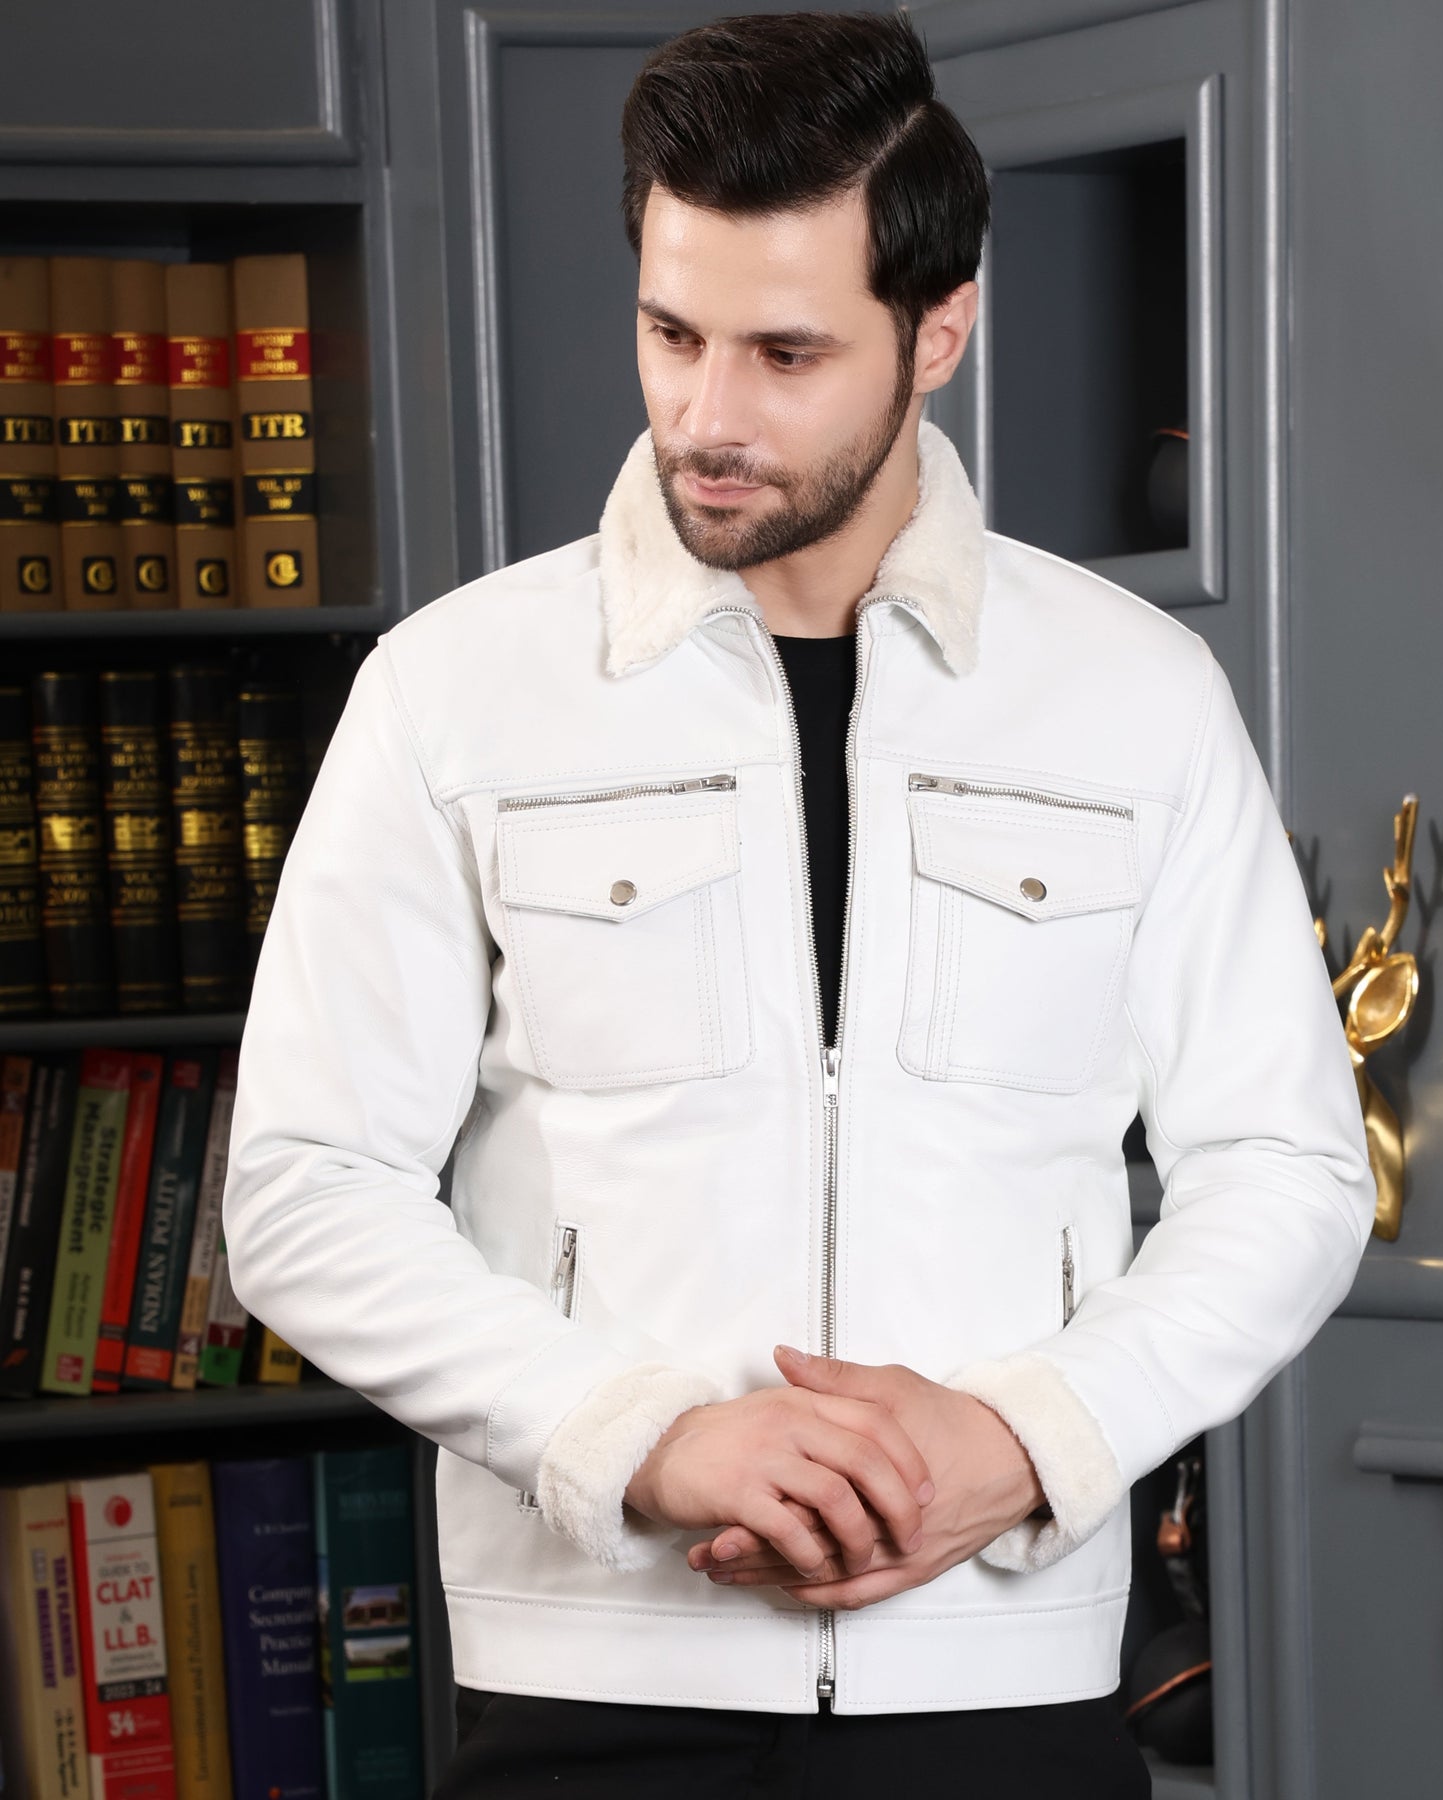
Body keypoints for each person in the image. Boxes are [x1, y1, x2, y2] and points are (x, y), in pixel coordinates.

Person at [222, 11, 1376, 1797]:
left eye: (783, 353)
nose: (705, 416)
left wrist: (1030, 1439)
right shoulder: (451, 692)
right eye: (670, 334)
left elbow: (1286, 1171)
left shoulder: (1137, 697)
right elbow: (306, 1189)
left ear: (939, 330)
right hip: (585, 1680)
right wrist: (638, 1438)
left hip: (1003, 1670)